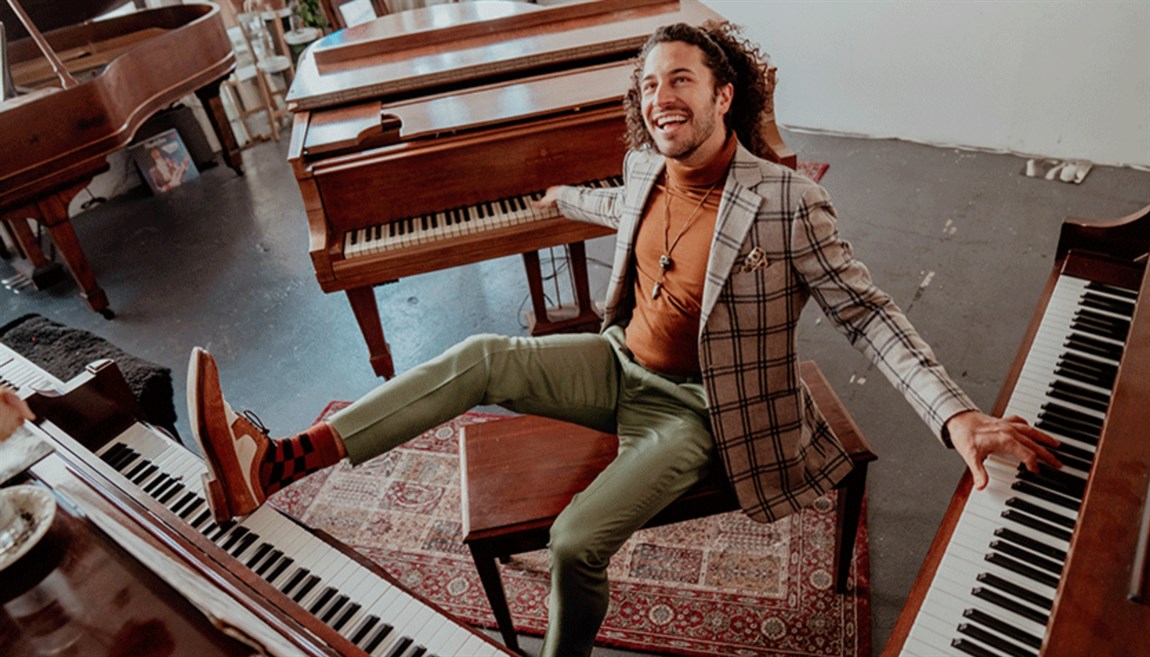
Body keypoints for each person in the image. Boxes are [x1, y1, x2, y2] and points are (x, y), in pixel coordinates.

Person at [189, 20, 1061, 656]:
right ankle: (281, 460)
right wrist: (561, 199)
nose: (659, 97)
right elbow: (622, 204)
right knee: (478, 356)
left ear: (723, 95)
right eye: (648, 85)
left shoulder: (789, 202)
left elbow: (868, 314)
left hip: (698, 412)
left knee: (574, 540)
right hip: (616, 365)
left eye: (679, 80)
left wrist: (958, 418)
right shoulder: (646, 163)